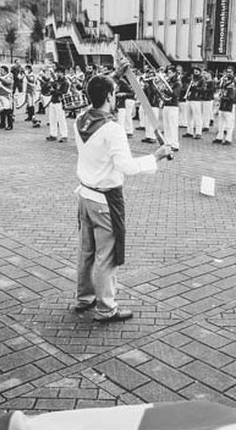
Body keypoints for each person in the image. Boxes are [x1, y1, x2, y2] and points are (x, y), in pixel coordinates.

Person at [74, 75, 173, 322]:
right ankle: (106, 308)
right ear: (109, 97)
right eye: (114, 92)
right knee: (106, 256)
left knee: (86, 252)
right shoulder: (112, 129)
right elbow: (126, 166)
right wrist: (156, 156)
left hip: (85, 194)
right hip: (105, 199)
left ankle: (84, 298)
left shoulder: (80, 120)